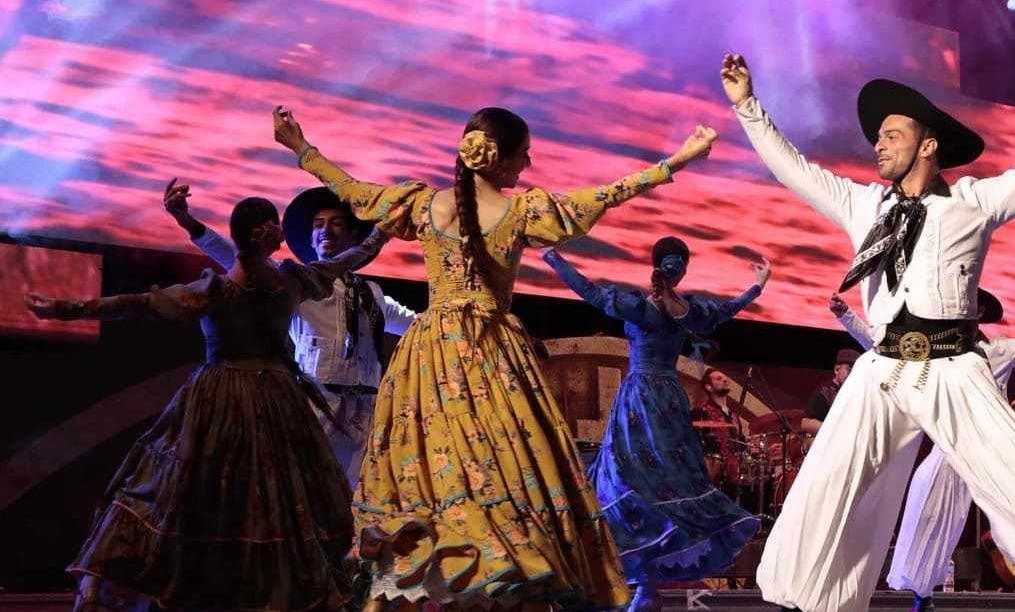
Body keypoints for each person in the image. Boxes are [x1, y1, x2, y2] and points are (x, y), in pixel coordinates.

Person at [720, 51, 1015, 612]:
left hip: (952, 369)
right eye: (878, 137)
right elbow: (794, 169)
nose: (878, 145)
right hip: (881, 370)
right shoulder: (865, 205)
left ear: (927, 145)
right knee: (826, 484)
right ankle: (806, 601)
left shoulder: (973, 202)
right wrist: (748, 107)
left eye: (891, 135)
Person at [271, 105, 718, 611]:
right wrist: (676, 161)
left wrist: (302, 148)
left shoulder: (424, 205)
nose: (527, 164)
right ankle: (494, 579)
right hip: (492, 356)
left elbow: (355, 191)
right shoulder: (521, 211)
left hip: (432, 356)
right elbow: (607, 194)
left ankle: (452, 578)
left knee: (432, 473)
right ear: (500, 160)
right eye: (524, 155)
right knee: (505, 467)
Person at [26, 196, 386, 612]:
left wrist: (65, 309)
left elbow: (139, 304)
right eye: (273, 224)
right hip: (268, 399)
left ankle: (209, 587)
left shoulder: (240, 286)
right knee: (264, 495)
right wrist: (381, 234)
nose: (280, 231)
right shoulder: (282, 282)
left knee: (188, 489)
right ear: (266, 234)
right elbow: (351, 258)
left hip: (228, 396)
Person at [540, 238, 769, 612]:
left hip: (641, 398)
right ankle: (645, 587)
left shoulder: (640, 306)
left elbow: (590, 292)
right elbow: (727, 311)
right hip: (669, 399)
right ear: (683, 270)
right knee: (667, 481)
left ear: (655, 265)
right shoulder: (688, 312)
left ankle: (637, 583)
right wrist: (758, 286)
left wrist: (553, 258)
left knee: (628, 477)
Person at [861, 278, 1015, 611]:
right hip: (949, 454)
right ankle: (923, 596)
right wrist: (847, 318)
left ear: (976, 312)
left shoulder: (999, 351)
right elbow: (887, 351)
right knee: (928, 518)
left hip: (990, 455)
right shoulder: (942, 353)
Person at [163, 179, 418, 485]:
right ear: (310, 239)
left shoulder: (373, 293)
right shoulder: (295, 281)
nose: (326, 230)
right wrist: (189, 223)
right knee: (308, 486)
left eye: (336, 223)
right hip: (318, 403)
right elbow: (236, 258)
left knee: (360, 492)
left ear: (353, 235)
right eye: (319, 225)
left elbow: (417, 323)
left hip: (365, 410)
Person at [799, 349, 857, 435]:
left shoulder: (856, 394)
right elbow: (806, 424)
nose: (853, 374)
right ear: (837, 369)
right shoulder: (824, 393)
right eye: (849, 369)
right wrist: (836, 430)